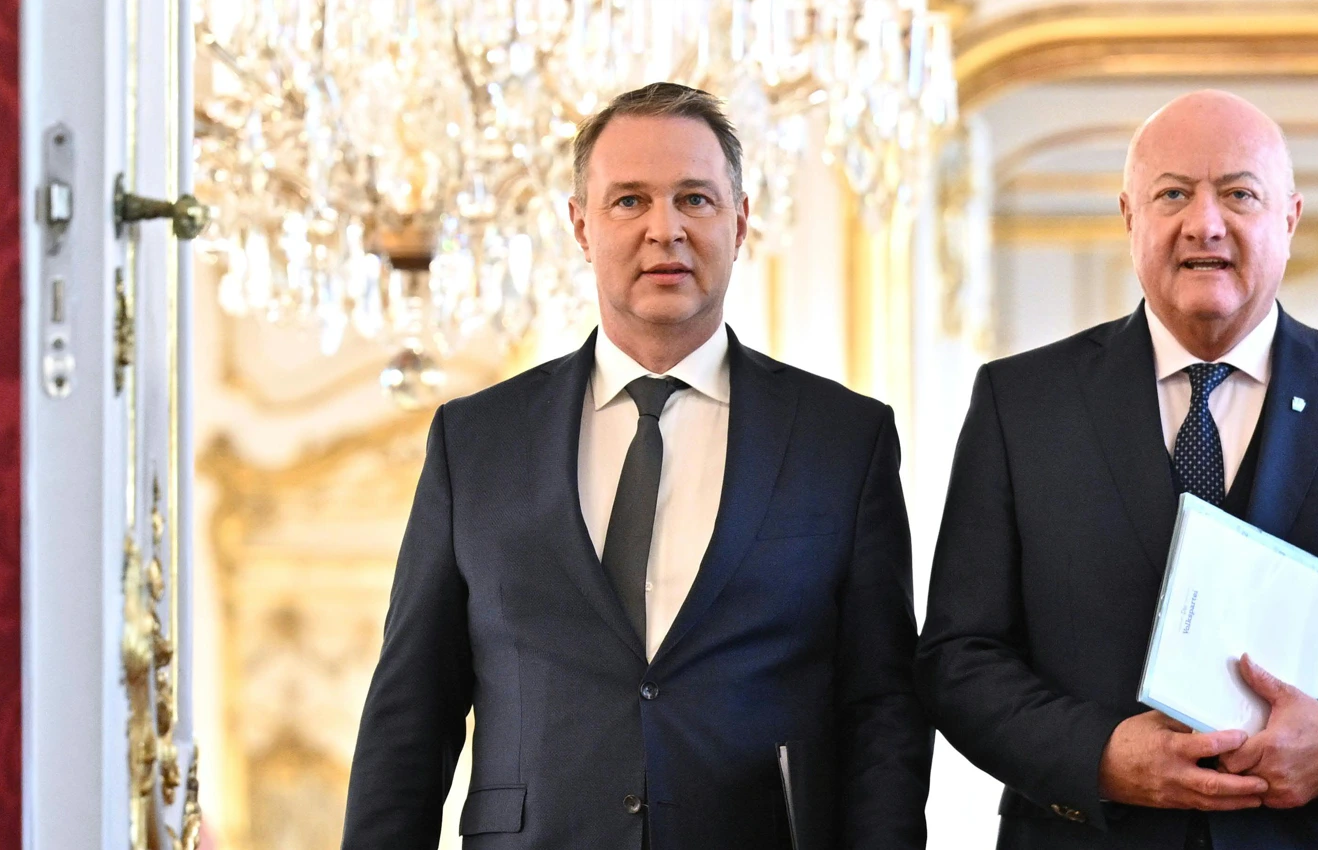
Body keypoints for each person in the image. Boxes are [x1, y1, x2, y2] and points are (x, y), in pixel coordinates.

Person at [916, 89, 1318, 849]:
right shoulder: (1021, 403)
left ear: (1289, 218)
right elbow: (959, 659)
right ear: (1129, 217)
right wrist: (1100, 755)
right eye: (1173, 194)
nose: (1205, 223)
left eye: (1239, 194)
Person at [342, 82, 929, 849]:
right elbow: (409, 712)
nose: (665, 229)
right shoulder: (476, 440)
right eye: (629, 201)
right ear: (580, 226)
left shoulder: (842, 439)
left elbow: (884, 709)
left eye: (695, 199)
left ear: (739, 223)